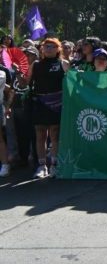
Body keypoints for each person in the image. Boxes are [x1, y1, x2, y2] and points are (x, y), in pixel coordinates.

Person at [21, 38, 70, 178]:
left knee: (55, 134)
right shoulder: (35, 64)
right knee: (40, 134)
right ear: (41, 49)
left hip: (57, 103)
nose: (48, 48)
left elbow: (72, 83)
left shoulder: (64, 64)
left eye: (52, 46)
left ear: (58, 49)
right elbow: (25, 83)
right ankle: (42, 166)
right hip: (39, 102)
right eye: (46, 46)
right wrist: (19, 72)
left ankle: (54, 165)